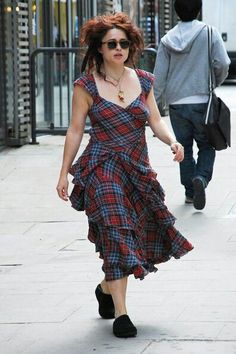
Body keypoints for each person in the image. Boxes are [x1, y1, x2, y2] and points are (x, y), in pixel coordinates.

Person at [56, 12, 193, 338]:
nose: (118, 48)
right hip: (102, 168)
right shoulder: (86, 86)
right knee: (116, 229)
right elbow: (75, 131)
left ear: (131, 46)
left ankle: (106, 288)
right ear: (100, 48)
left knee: (130, 236)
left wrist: (172, 139)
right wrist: (63, 174)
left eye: (124, 43)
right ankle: (122, 314)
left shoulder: (144, 80)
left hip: (137, 169)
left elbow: (155, 120)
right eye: (111, 44)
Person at [153, 0, 230, 210]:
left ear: (176, 11)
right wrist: (214, 81)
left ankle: (189, 191)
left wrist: (153, 106)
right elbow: (223, 63)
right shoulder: (209, 32)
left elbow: (158, 78)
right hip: (202, 102)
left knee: (183, 147)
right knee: (207, 145)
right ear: (199, 9)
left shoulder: (167, 39)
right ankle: (201, 179)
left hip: (177, 103)